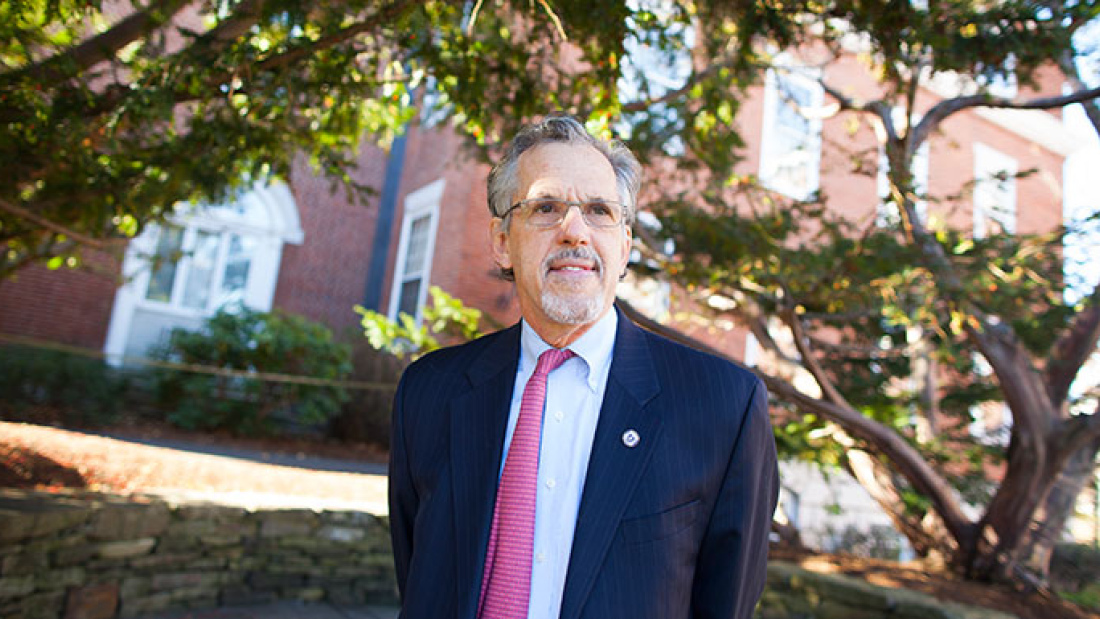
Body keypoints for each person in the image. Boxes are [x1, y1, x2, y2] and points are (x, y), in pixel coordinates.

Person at [388, 113, 779, 619]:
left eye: (599, 210)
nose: (575, 231)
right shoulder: (429, 392)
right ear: (503, 241)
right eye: (546, 207)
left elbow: (726, 602)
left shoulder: (724, 407)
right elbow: (418, 572)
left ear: (625, 246)